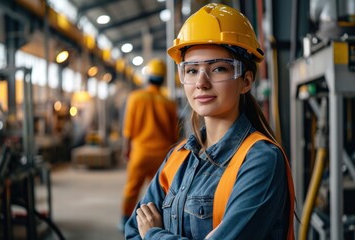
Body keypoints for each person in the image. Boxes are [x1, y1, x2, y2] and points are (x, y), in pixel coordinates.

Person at [125, 3, 295, 240]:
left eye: (218, 69)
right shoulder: (178, 157)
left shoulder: (261, 161)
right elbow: (133, 231)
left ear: (245, 81)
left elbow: (144, 232)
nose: (201, 83)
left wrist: (153, 234)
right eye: (192, 71)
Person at [120, 58, 179, 231]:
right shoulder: (168, 103)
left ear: (148, 77)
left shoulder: (135, 98)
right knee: (158, 193)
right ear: (162, 79)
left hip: (140, 153)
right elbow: (173, 133)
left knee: (132, 189)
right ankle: (156, 225)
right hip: (163, 155)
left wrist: (126, 149)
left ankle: (125, 221)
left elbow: (128, 128)